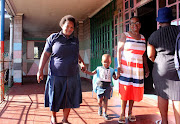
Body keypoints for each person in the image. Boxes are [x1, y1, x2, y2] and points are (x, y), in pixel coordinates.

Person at [37, 15, 86, 124]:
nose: (69, 29)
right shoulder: (53, 38)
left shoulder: (75, 40)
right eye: (67, 26)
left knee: (69, 98)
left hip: (72, 74)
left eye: (72, 27)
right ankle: (53, 117)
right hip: (56, 74)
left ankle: (65, 119)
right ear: (62, 25)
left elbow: (76, 53)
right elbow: (45, 54)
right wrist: (40, 70)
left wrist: (81, 62)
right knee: (55, 96)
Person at [147, 7, 180, 124]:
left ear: (159, 21)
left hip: (161, 67)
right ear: (171, 19)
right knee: (177, 96)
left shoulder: (154, 35)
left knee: (162, 94)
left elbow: (150, 55)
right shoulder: (178, 30)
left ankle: (164, 121)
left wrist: (157, 61)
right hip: (177, 66)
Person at [117, 16, 149, 123]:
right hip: (126, 68)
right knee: (126, 90)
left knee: (133, 90)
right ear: (129, 25)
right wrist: (118, 65)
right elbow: (119, 50)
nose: (134, 25)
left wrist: (146, 68)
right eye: (132, 23)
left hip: (138, 69)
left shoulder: (143, 38)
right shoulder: (125, 35)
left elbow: (144, 55)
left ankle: (130, 112)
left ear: (140, 25)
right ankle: (122, 113)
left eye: (136, 23)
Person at [84, 54, 118, 120]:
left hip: (107, 88)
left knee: (105, 101)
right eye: (104, 62)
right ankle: (100, 107)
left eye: (108, 62)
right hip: (100, 87)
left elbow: (115, 78)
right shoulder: (98, 69)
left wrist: (118, 75)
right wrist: (86, 71)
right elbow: (92, 73)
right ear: (101, 62)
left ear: (110, 62)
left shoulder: (112, 70)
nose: (106, 63)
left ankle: (105, 113)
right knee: (99, 101)